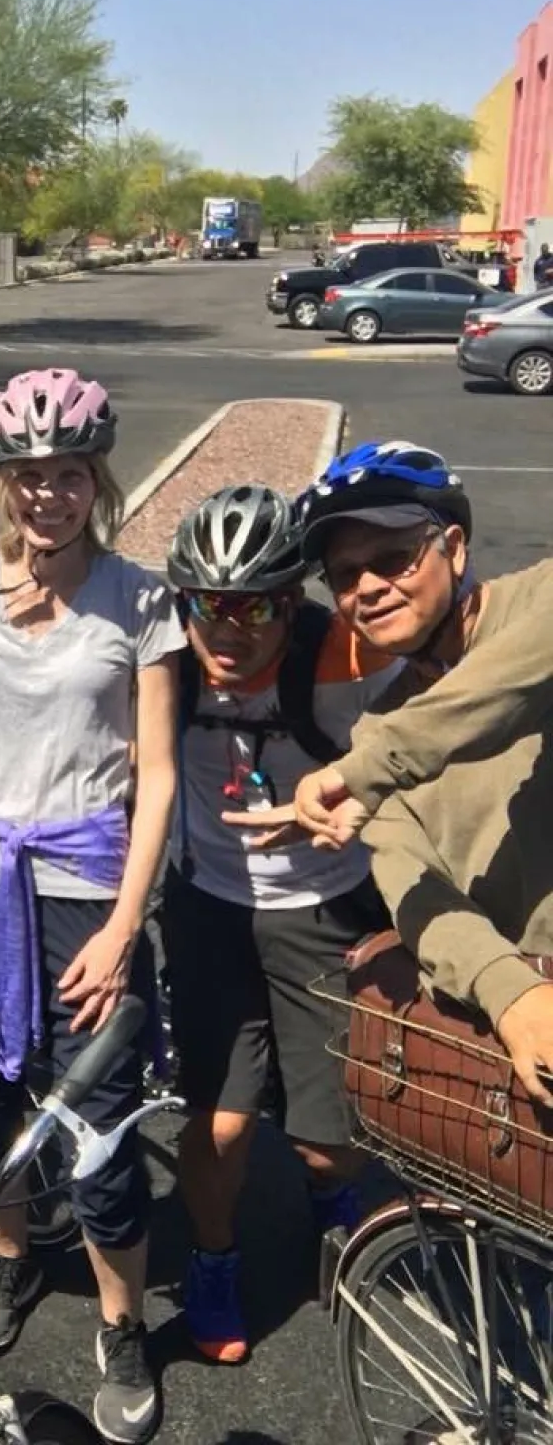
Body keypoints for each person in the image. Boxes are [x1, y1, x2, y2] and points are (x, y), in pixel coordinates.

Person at [0, 368, 181, 1445]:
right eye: (27, 476)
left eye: (68, 475)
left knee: (100, 1135)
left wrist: (122, 925)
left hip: (83, 893)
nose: (46, 495)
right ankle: (12, 1261)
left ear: (95, 481)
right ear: (2, 483)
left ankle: (121, 1319)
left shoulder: (138, 599)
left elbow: (154, 774)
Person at [228, 441, 553, 1108]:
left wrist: (370, 767)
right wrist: (510, 990)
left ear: (454, 548)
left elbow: (499, 690)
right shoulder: (374, 736)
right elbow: (415, 890)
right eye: (343, 576)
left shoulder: (536, 608)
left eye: (393, 558)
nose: (367, 589)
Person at [162, 485, 397, 1366]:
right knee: (219, 1127)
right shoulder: (166, 663)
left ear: (291, 600)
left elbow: (426, 745)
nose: (229, 629)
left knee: (327, 1143)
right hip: (210, 910)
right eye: (207, 607)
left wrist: (366, 806)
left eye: (255, 606)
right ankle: (215, 1256)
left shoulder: (342, 658)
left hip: (326, 906)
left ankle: (333, 1194)